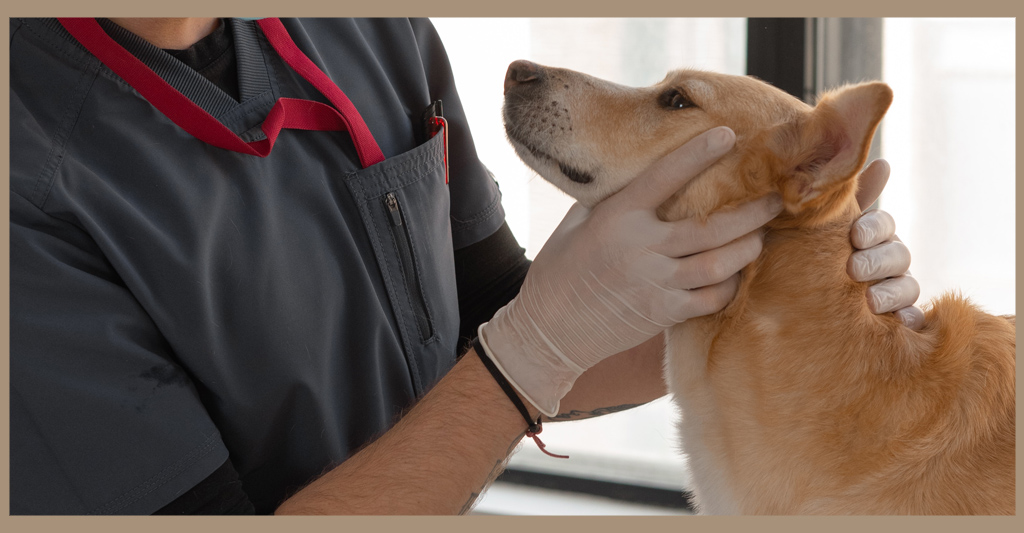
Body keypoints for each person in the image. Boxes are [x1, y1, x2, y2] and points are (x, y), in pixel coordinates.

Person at [9, 17, 923, 515]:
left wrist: (781, 305)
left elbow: (493, 320)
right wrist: (531, 347)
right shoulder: (29, 166)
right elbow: (516, 353)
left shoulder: (368, 30)